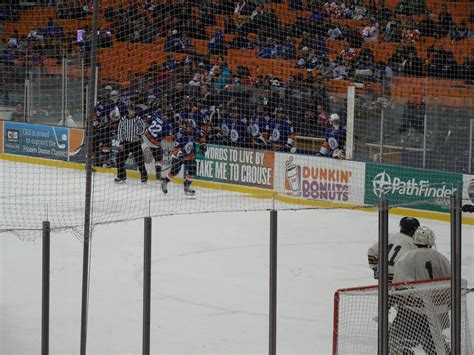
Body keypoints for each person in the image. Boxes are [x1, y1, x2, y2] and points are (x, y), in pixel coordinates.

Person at [390, 226, 451, 355]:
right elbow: (451, 284)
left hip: (414, 310)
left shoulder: (406, 258)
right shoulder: (442, 258)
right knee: (433, 339)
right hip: (440, 309)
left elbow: (398, 288)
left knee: (397, 341)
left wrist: (395, 302)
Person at [161, 118, 206, 196]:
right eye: (187, 126)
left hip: (190, 156)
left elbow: (202, 137)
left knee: (193, 170)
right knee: (175, 171)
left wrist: (203, 145)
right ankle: (165, 182)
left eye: (190, 126)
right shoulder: (180, 135)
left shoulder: (196, 132)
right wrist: (179, 154)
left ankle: (187, 187)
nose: (189, 128)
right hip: (178, 156)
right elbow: (175, 148)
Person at [368, 217, 420, 282]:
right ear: (414, 230)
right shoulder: (414, 243)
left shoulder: (390, 236)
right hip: (399, 278)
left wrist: (376, 268)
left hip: (383, 275)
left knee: (383, 291)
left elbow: (372, 252)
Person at [115, 105, 148, 183]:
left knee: (140, 161)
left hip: (135, 143)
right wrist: (121, 143)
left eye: (134, 110)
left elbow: (144, 129)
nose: (133, 112)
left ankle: (144, 177)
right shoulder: (122, 119)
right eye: (131, 110)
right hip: (126, 143)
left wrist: (139, 135)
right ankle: (121, 177)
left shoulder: (138, 119)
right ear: (128, 110)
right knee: (119, 159)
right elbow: (120, 131)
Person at [142, 109, 174, 181]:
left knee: (144, 156)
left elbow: (146, 120)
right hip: (154, 143)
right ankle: (158, 176)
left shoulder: (155, 117)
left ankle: (147, 175)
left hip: (145, 137)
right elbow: (169, 138)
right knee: (159, 159)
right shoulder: (168, 125)